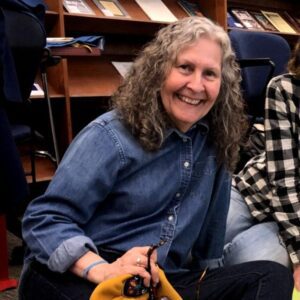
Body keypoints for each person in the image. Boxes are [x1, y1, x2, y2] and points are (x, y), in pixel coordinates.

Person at [18, 16, 293, 300]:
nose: (196, 86)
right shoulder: (111, 135)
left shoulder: (218, 142)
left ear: (223, 84)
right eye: (185, 68)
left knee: (271, 276)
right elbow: (43, 220)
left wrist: (210, 288)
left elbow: (208, 249)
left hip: (160, 280)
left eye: (209, 74)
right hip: (85, 271)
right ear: (159, 71)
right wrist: (101, 269)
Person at [223, 38, 300, 289]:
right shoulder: (285, 88)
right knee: (199, 237)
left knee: (248, 262)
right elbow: (284, 180)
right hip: (256, 191)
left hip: (295, 220)